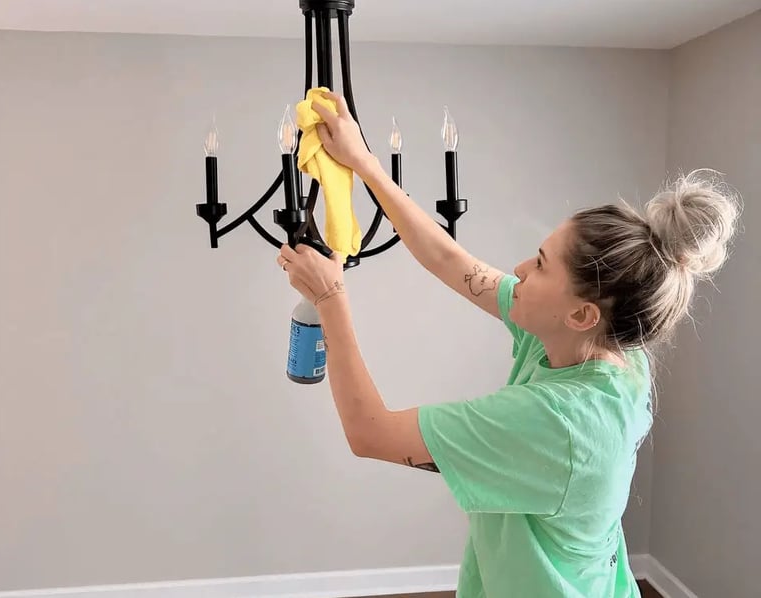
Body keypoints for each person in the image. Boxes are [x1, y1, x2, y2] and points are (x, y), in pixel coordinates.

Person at [276, 91, 740, 598]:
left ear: (582, 312)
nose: (519, 269)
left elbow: (371, 434)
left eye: (541, 264)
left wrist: (330, 297)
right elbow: (452, 262)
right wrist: (363, 162)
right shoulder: (599, 344)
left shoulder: (559, 421)